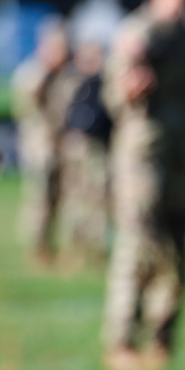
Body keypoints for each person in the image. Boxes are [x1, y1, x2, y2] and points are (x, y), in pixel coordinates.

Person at [99, 0, 185, 370]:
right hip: (143, 158)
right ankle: (121, 340)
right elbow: (114, 96)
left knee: (178, 250)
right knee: (138, 246)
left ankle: (162, 338)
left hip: (182, 155)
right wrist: (130, 88)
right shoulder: (140, 33)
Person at [10, 16, 73, 263]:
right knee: (40, 197)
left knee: (62, 196)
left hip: (62, 144)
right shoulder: (32, 72)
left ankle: (58, 245)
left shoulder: (67, 74)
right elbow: (25, 107)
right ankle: (37, 246)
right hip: (39, 146)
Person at [55, 32, 113, 268]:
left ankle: (96, 248)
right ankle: (74, 246)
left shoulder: (104, 83)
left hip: (97, 148)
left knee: (98, 199)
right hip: (76, 147)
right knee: (74, 199)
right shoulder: (71, 83)